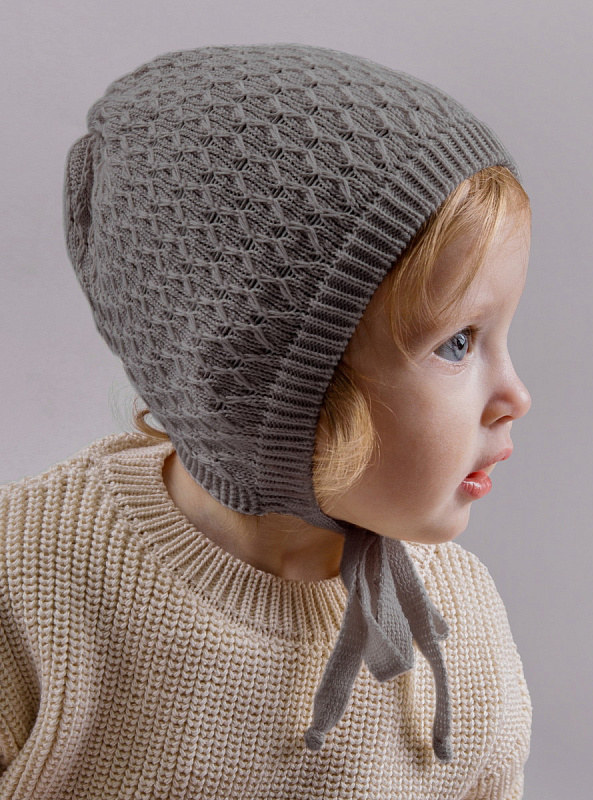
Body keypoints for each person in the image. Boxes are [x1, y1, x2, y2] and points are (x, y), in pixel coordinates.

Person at [0, 43, 533, 799]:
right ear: (263, 376)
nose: (515, 395)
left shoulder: (462, 628)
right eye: (457, 342)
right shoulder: (30, 579)